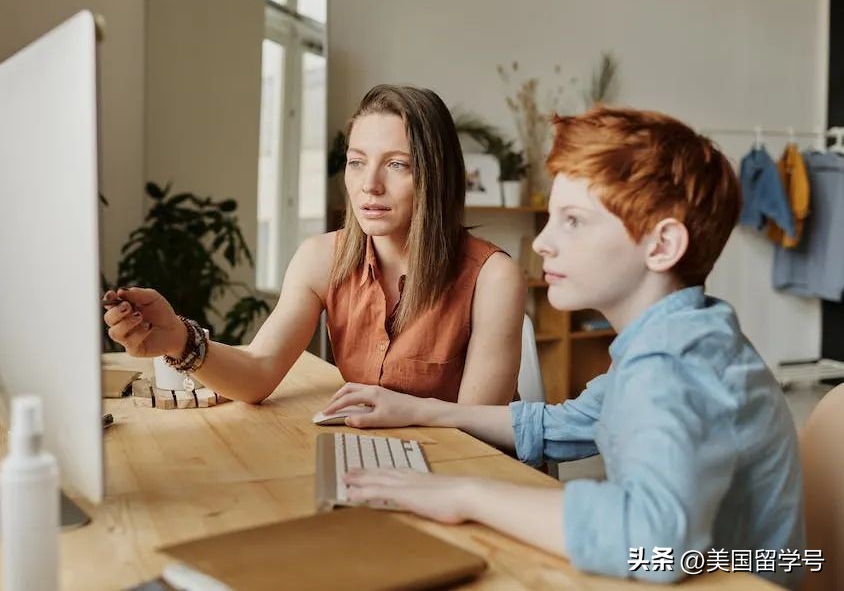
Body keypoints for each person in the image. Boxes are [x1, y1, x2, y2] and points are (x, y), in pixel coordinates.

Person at [322, 107, 804, 587]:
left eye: (573, 221)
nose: (542, 244)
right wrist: (419, 409)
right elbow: (560, 424)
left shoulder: (673, 364)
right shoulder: (681, 336)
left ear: (661, 246)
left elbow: (655, 541)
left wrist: (467, 495)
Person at [104, 84, 525, 405]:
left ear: (437, 176)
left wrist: (394, 416)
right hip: (377, 462)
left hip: (463, 476)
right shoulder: (322, 258)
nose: (369, 185)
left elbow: (478, 432)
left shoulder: (493, 277)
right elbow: (257, 372)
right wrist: (179, 339)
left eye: (397, 164)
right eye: (357, 161)